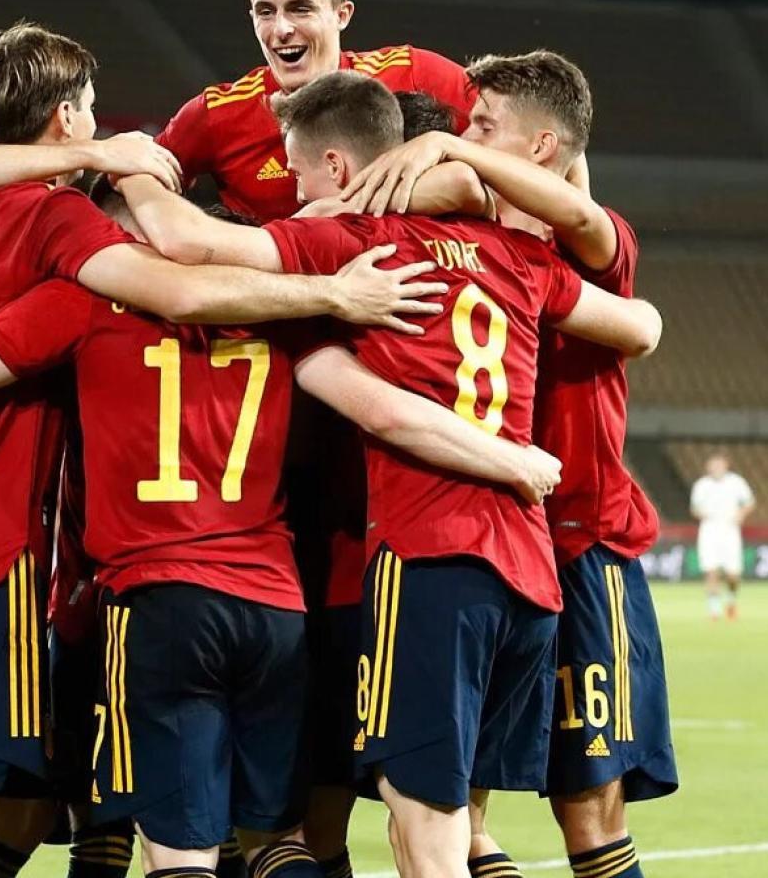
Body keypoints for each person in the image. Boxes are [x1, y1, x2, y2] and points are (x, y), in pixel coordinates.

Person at [0, 23, 446, 878]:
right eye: (95, 112)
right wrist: (330, 289)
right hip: (39, 575)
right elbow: (179, 283)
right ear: (68, 117)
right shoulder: (63, 238)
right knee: (248, 838)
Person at [0, 229, 565, 878]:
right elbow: (376, 407)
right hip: (276, 611)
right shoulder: (286, 323)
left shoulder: (86, 305)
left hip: (157, 601)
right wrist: (512, 456)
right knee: (278, 840)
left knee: (177, 852)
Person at [116, 71, 661, 878]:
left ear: (343, 168)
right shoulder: (519, 254)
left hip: (429, 558)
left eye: (300, 174)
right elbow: (641, 322)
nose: (292, 194)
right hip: (528, 571)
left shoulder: (355, 249)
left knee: (423, 835)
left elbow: (195, 248)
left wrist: (128, 160)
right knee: (472, 828)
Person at [341, 50, 674, 878]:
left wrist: (451, 153)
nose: (460, 135)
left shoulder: (593, 246)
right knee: (455, 809)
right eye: (461, 125)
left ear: (541, 147)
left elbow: (598, 243)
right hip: (495, 546)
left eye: (483, 125)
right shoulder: (465, 244)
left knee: (588, 808)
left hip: (584, 542)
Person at [156, 0, 475, 223]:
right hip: (280, 281)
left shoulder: (414, 72)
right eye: (266, 12)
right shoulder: (217, 114)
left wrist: (444, 145)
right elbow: (128, 195)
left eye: (300, 9)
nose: (281, 29)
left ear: (342, 15)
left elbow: (518, 145)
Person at [690, 452, 754, 621]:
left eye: (719, 464)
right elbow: (694, 508)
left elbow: (749, 502)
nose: (716, 468)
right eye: (713, 465)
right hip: (709, 530)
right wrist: (702, 513)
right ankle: (715, 609)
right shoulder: (701, 485)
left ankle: (731, 601)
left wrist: (740, 514)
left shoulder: (736, 482)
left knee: (733, 574)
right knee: (711, 571)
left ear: (726, 465)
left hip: (730, 530)